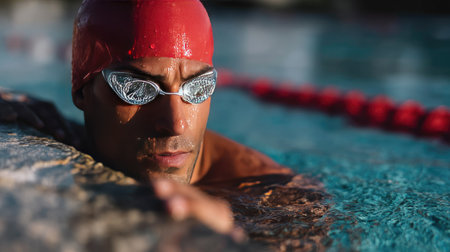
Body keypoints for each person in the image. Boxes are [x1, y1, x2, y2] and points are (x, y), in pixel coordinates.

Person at [0, 0, 292, 235]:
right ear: (81, 93)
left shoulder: (275, 196)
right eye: (137, 89)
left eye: (197, 88)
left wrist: (229, 230)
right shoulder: (72, 136)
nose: (175, 124)